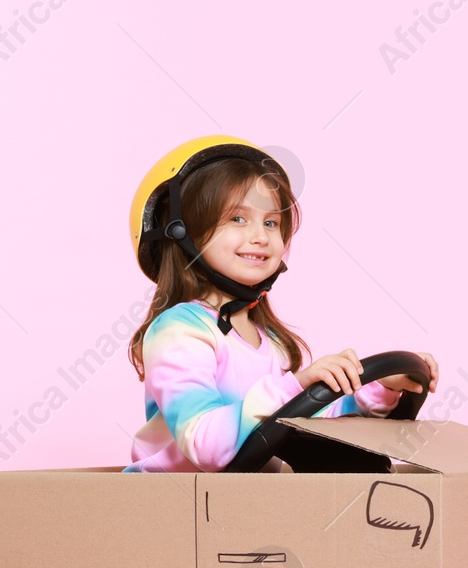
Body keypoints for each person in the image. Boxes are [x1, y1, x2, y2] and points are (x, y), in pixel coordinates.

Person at [122, 135, 438, 472]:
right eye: (238, 219)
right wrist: (297, 385)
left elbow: (303, 420)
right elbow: (206, 445)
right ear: (182, 232)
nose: (260, 236)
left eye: (271, 222)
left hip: (243, 506)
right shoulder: (179, 331)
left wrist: (375, 389)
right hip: (174, 509)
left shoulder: (269, 343)